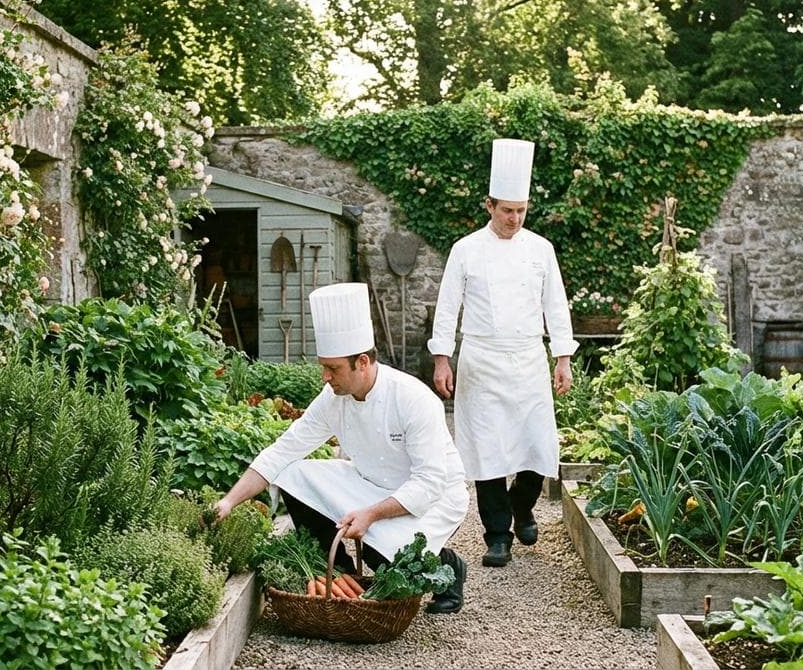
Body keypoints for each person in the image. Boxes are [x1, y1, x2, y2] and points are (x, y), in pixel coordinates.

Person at [213, 282, 470, 613]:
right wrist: (228, 502)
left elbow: (429, 483)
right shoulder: (333, 399)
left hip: (433, 498)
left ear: (362, 362)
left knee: (386, 557)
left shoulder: (413, 399)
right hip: (371, 485)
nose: (324, 376)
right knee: (293, 473)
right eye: (323, 365)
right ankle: (338, 574)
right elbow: (282, 451)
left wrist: (372, 514)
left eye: (332, 368)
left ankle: (448, 565)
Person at [427, 138, 577, 568]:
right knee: (486, 449)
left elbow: (556, 304)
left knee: (538, 445)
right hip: (481, 358)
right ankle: (497, 536)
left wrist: (562, 356)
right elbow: (447, 305)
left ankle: (522, 504)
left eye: (521, 210)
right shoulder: (466, 250)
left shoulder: (540, 249)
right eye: (507, 210)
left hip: (529, 357)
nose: (514, 219)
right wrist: (442, 357)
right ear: (489, 205)